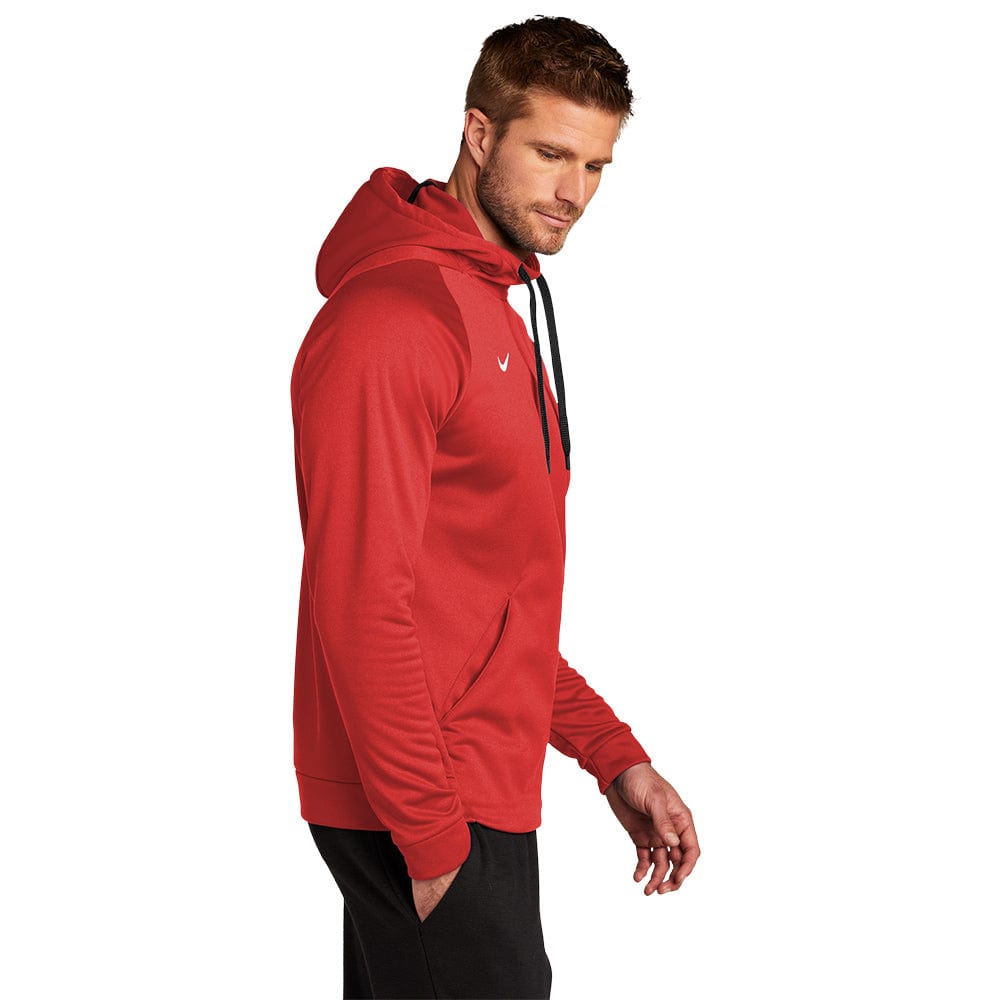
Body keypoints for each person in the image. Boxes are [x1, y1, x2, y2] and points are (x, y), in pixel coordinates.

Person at [290, 15, 700, 999]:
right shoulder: (396, 324)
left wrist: (613, 756)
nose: (574, 193)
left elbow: (487, 608)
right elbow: (359, 603)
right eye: (550, 154)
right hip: (426, 801)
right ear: (478, 133)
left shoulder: (491, 315)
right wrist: (433, 841)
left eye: (596, 166)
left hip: (469, 792)